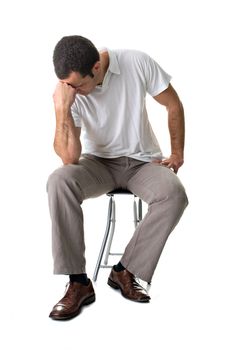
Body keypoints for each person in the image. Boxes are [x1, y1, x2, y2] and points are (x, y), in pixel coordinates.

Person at [47, 35, 188, 320]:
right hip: (98, 164)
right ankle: (78, 283)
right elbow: (69, 159)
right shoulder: (69, 92)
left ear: (96, 68)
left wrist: (177, 153)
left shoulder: (135, 62)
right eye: (67, 85)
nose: (71, 90)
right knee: (59, 180)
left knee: (174, 194)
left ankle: (124, 271)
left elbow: (173, 104)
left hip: (143, 162)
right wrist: (62, 108)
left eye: (77, 85)